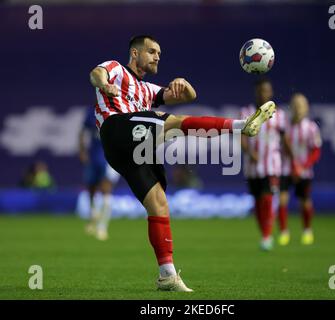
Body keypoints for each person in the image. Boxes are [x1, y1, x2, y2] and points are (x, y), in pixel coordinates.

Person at [89, 35, 275, 292]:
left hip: (130, 151)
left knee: (159, 204)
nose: (157, 57)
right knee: (175, 122)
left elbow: (188, 94)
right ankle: (242, 126)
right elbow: (96, 74)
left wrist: (183, 84)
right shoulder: (116, 69)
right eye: (152, 51)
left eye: (159, 54)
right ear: (134, 53)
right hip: (116, 128)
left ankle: (167, 276)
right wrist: (105, 85)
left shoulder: (148, 91)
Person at [241, 79, 287, 251]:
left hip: (272, 164)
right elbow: (241, 136)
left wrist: (290, 159)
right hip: (253, 165)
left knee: (267, 198)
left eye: (266, 90)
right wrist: (248, 151)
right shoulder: (246, 112)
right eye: (260, 91)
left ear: (271, 93)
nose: (263, 94)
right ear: (256, 92)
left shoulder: (279, 114)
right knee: (258, 201)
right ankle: (264, 233)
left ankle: (267, 235)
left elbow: (285, 139)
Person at [278, 93, 322, 246]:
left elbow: (316, 151)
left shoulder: (310, 127)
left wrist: (303, 166)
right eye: (295, 104)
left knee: (305, 203)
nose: (298, 108)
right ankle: (284, 232)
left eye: (301, 105)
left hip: (304, 171)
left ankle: (307, 231)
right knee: (282, 200)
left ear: (306, 108)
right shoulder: (284, 126)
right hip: (285, 169)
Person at [79, 106, 120, 241]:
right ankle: (93, 216)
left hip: (110, 157)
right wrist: (82, 151)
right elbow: (82, 132)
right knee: (91, 187)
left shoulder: (118, 110)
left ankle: (102, 227)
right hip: (94, 156)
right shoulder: (91, 112)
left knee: (106, 189)